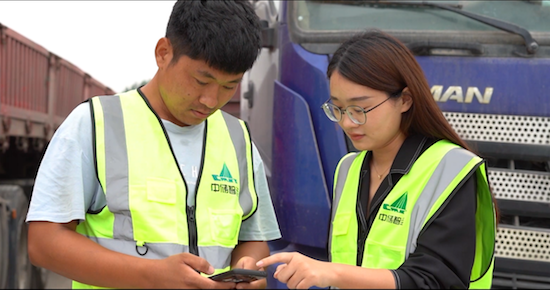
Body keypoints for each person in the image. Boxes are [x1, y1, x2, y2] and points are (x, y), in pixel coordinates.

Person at [26, 1, 281, 289]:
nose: (211, 100)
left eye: (228, 86)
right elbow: (44, 242)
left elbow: (253, 238)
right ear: (163, 53)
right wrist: (152, 275)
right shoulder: (96, 123)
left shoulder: (239, 139)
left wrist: (247, 268)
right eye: (201, 81)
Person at [257, 29, 497, 289]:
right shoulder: (348, 168)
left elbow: (435, 280)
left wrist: (331, 273)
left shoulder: (452, 170)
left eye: (360, 109)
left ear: (405, 99)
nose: (347, 122)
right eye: (337, 108)